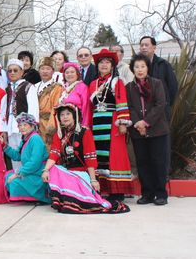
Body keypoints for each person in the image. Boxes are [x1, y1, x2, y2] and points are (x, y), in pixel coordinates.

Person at [42, 103, 130, 214]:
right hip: (68, 174)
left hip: (84, 174)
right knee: (53, 169)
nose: (65, 117)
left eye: (68, 114)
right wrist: (46, 170)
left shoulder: (85, 132)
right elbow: (54, 155)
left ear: (74, 116)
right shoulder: (59, 135)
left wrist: (93, 180)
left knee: (77, 204)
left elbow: (90, 159)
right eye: (62, 115)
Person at [88, 48, 133, 200]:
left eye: (107, 62)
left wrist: (122, 123)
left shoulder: (117, 82)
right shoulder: (93, 84)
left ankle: (117, 191)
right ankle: (102, 188)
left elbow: (122, 102)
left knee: (115, 155)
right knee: (98, 155)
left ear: (112, 65)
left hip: (112, 122)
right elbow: (91, 107)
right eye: (101, 62)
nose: (104, 65)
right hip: (97, 123)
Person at [126, 54, 170, 206]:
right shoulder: (129, 87)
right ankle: (147, 194)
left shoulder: (157, 83)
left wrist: (146, 122)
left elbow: (160, 104)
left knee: (159, 162)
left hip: (157, 130)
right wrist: (138, 123)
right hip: (137, 131)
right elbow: (129, 107)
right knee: (142, 162)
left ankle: (161, 194)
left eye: (142, 66)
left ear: (147, 68)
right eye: (136, 67)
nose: (140, 70)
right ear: (132, 69)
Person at [3, 112, 50, 204]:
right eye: (20, 125)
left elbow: (34, 163)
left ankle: (37, 196)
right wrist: (4, 146)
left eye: (25, 125)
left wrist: (18, 173)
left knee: (14, 181)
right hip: (31, 172)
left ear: (32, 126)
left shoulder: (35, 139)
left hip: (38, 174)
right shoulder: (25, 139)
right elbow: (18, 156)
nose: (22, 127)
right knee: (7, 176)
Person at [3, 59, 39, 162]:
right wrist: (4, 129)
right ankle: (16, 172)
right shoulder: (7, 89)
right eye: (10, 71)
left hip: (24, 128)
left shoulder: (28, 86)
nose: (12, 73)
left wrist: (31, 127)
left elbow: (33, 108)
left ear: (22, 72)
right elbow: (4, 110)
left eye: (15, 70)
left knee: (26, 156)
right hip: (10, 127)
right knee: (14, 157)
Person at [138, 36, 178, 114]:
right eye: (142, 45)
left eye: (146, 45)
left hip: (162, 110)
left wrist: (166, 104)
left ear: (154, 47)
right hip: (143, 110)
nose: (144, 47)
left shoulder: (163, 64)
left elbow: (173, 86)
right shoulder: (136, 66)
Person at [35, 57, 64, 148]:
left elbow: (55, 108)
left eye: (48, 68)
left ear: (53, 71)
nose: (45, 71)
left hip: (48, 123)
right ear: (39, 70)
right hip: (35, 124)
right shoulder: (34, 86)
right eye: (42, 68)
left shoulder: (57, 87)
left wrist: (51, 128)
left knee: (48, 148)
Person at [60, 62, 92, 127]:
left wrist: (85, 125)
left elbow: (86, 107)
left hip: (78, 123)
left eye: (72, 72)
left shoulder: (82, 87)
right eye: (67, 72)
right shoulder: (63, 89)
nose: (69, 74)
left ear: (77, 74)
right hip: (65, 124)